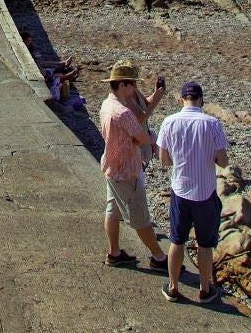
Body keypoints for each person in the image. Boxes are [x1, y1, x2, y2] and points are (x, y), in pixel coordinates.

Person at [157, 81, 231, 304]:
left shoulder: (169, 122)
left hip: (180, 189)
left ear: (181, 100)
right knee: (205, 245)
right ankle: (205, 288)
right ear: (201, 100)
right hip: (205, 192)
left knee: (176, 241)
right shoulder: (212, 123)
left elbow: (163, 161)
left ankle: (172, 287)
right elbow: (223, 161)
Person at [98, 61, 168, 270]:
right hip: (127, 170)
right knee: (139, 217)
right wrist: (150, 138)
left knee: (112, 210)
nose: (134, 88)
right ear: (121, 85)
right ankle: (159, 258)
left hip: (111, 166)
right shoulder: (123, 113)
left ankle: (114, 253)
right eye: (131, 84)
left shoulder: (106, 105)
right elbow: (143, 137)